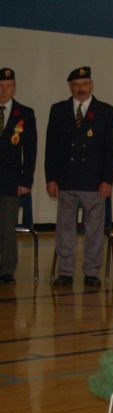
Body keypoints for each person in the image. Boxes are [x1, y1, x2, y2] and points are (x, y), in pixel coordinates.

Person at [46, 66, 113, 288]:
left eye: (84, 84)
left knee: (94, 231)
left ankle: (91, 272)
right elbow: (52, 147)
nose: (80, 88)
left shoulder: (105, 111)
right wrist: (51, 178)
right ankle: (66, 272)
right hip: (66, 181)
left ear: (91, 85)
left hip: (94, 183)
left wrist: (108, 180)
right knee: (65, 229)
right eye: (76, 85)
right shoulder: (59, 110)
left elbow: (112, 148)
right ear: (70, 86)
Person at [0, 67, 36, 286]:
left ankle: (6, 270)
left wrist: (26, 181)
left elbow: (30, 150)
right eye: (0, 87)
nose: (4, 90)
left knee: (7, 228)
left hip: (11, 182)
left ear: (14, 88)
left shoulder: (24, 113)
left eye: (8, 86)